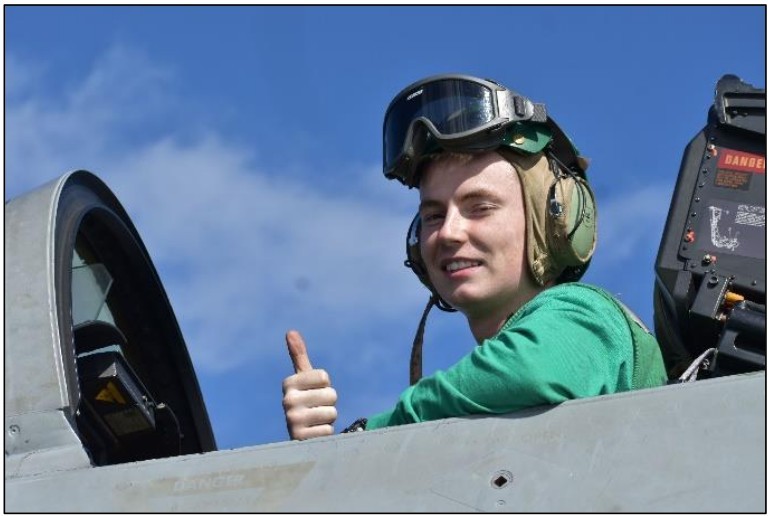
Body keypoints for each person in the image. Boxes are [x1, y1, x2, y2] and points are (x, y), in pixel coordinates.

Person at [281, 74, 668, 440]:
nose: (448, 232)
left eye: (480, 207)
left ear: (553, 221)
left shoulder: (584, 314)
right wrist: (324, 457)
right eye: (433, 215)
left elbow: (530, 371)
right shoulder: (478, 412)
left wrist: (371, 434)